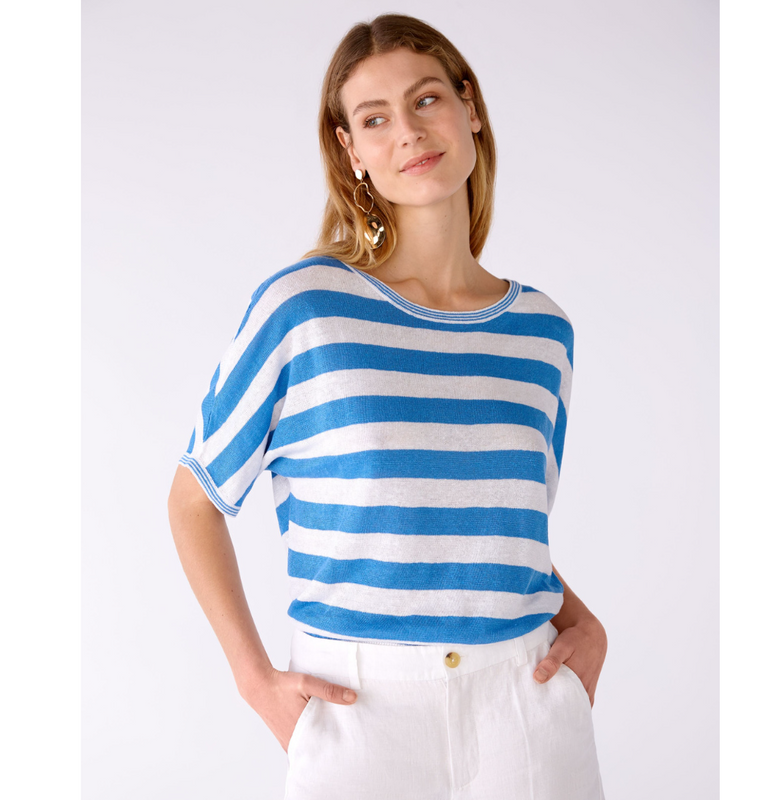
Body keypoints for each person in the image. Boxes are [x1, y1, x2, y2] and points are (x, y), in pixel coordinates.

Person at [167, 12, 607, 800]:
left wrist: (584, 621)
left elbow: (494, 527)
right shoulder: (304, 309)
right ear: (352, 150)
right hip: (360, 711)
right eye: (375, 119)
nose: (408, 131)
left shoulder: (544, 333)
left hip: (527, 705)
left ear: (470, 108)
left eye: (427, 99)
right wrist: (254, 679)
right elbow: (193, 500)